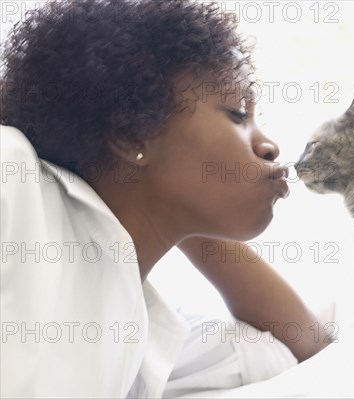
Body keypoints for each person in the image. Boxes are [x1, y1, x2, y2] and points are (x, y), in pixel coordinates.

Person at [0, 1, 332, 397]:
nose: (270, 146)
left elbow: (297, 346)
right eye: (237, 114)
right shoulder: (15, 176)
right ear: (131, 133)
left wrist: (176, 210)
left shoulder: (141, 327)